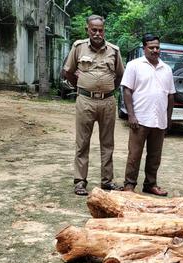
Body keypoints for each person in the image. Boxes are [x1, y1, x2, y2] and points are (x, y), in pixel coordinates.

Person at [62, 14, 125, 196]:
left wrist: (109, 88)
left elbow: (120, 75)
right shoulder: (78, 47)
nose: (97, 33)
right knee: (82, 142)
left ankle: (107, 181)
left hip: (107, 102)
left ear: (104, 31)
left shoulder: (114, 50)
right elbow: (68, 71)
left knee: (108, 143)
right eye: (94, 30)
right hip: (85, 101)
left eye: (101, 30)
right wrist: (82, 86)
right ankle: (80, 181)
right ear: (87, 29)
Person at [121, 33, 175, 196]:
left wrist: (168, 118)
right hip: (140, 118)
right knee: (134, 154)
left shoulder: (166, 69)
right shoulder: (134, 65)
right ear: (144, 47)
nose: (155, 50)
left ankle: (150, 184)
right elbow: (127, 90)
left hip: (159, 119)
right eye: (151, 47)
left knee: (155, 156)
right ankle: (129, 184)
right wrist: (131, 115)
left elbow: (170, 95)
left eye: (157, 47)